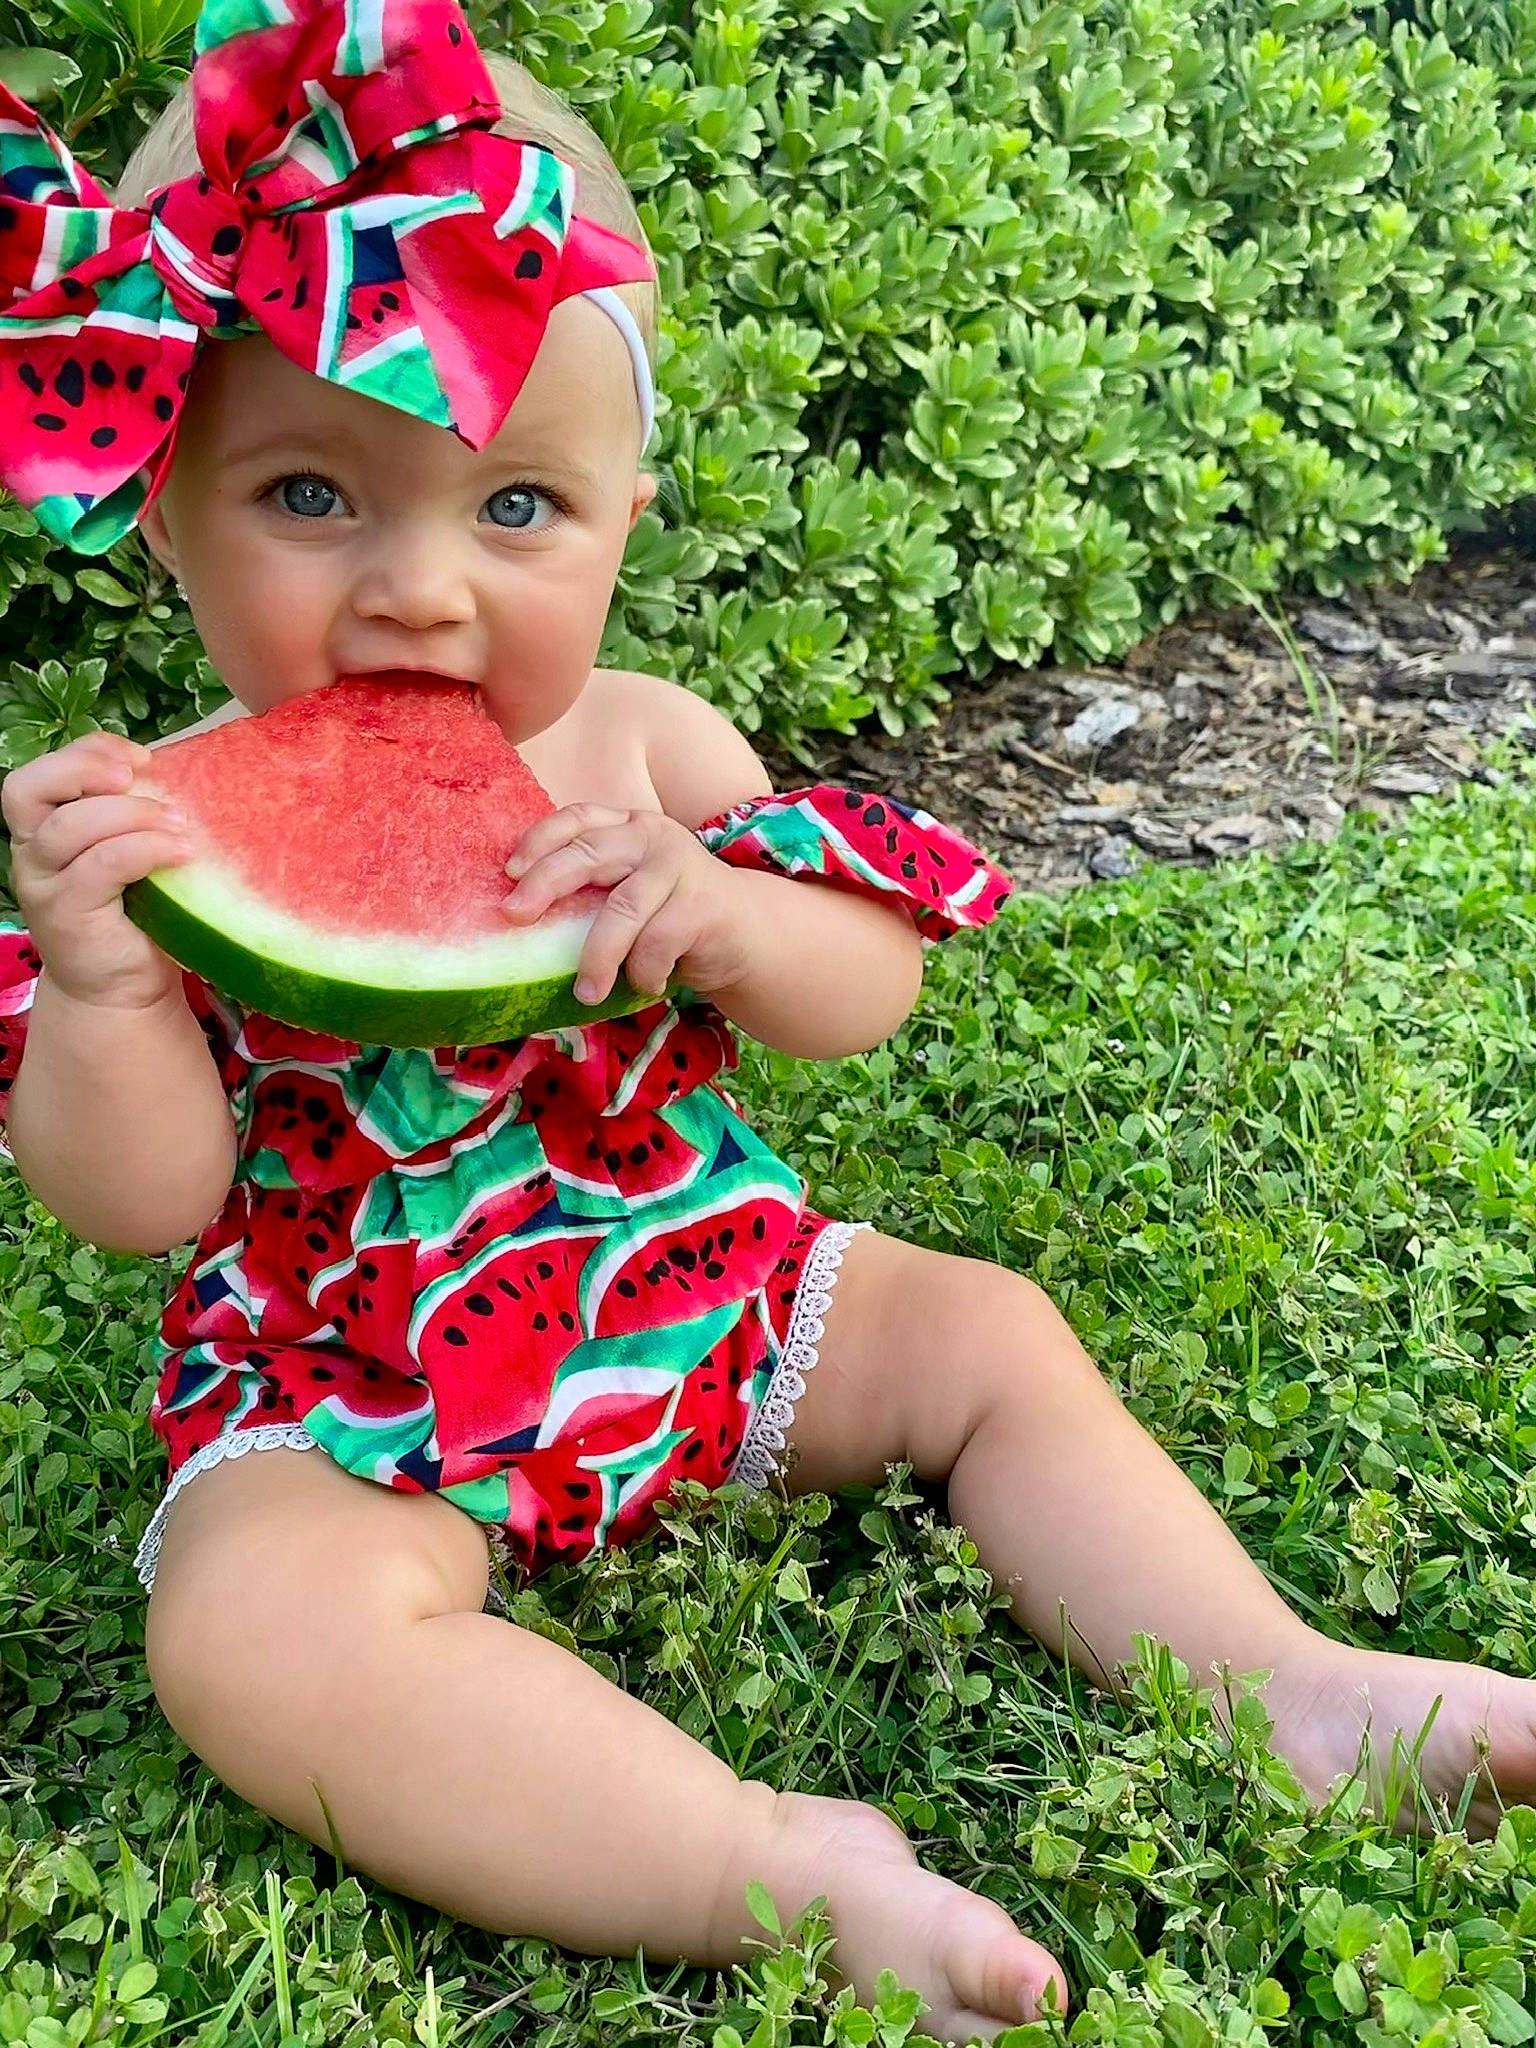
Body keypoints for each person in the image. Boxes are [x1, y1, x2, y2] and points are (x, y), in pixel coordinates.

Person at [1, 5, 1533, 2041]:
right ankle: (767, 1865)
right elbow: (136, 1197)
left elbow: (863, 993)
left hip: (708, 1297)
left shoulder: (656, 745)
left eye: (516, 507)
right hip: (340, 1390)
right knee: (245, 1637)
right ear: (169, 508)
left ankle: (1286, 1679)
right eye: (310, 493)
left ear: (628, 508)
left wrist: (725, 910)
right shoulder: (156, 831)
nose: (424, 594)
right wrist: (104, 981)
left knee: (982, 1331)